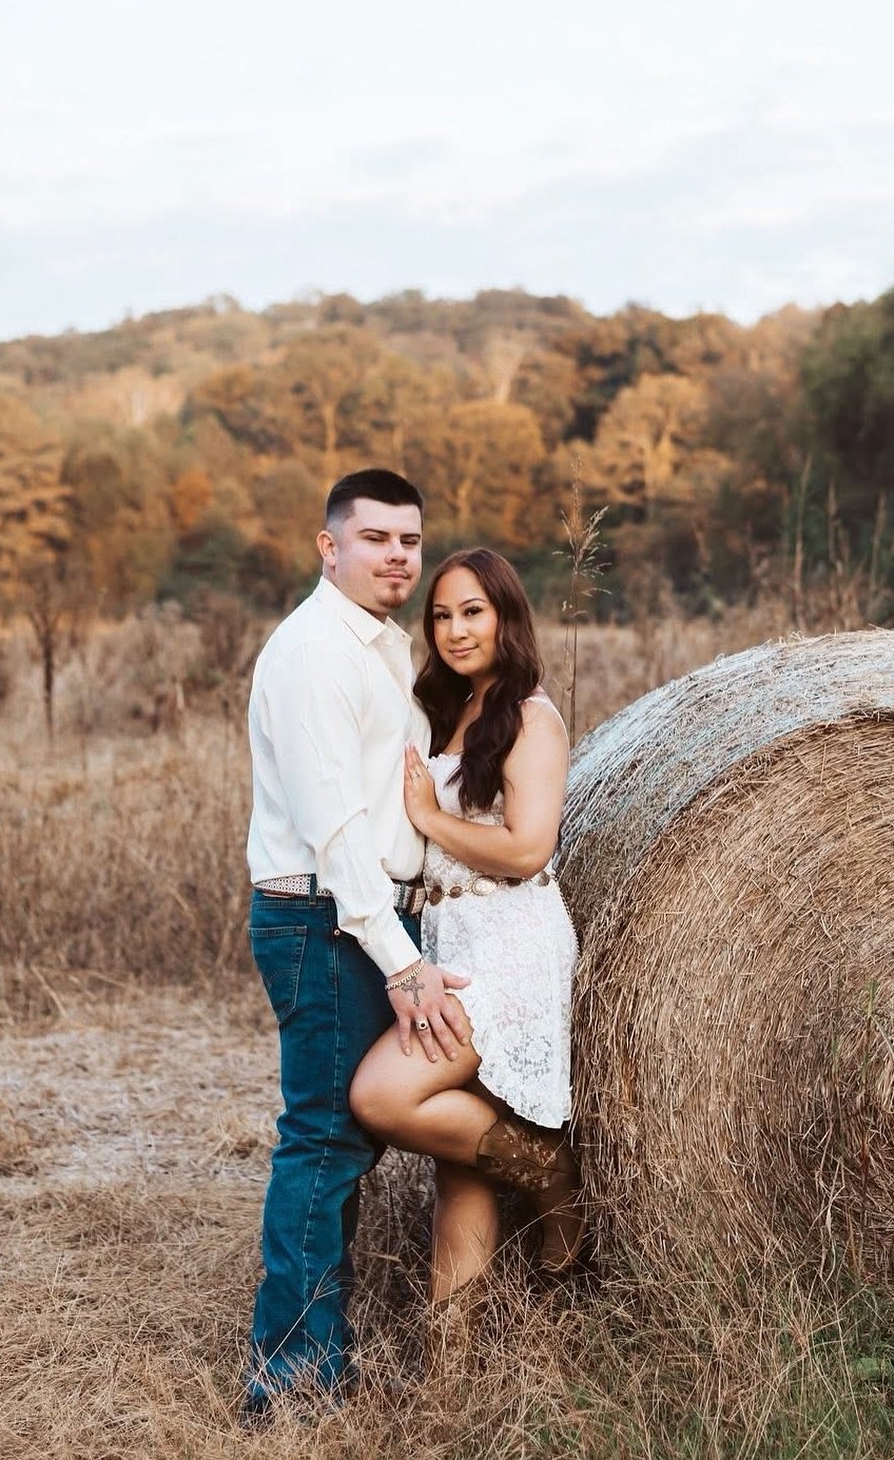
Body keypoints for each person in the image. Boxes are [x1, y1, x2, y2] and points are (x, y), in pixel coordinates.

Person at [241, 467, 473, 1424]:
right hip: (327, 917)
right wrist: (402, 956)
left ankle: (314, 1346)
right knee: (326, 1138)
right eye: (375, 538)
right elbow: (337, 828)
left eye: (409, 541)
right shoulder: (312, 655)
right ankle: (292, 1378)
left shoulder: (380, 647)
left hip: (365, 914)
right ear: (328, 546)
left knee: (344, 1137)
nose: (398, 556)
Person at [348, 546, 582, 1350]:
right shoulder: (450, 710)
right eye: (441, 615)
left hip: (513, 945)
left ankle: (553, 1172)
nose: (454, 629)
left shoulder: (531, 716)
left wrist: (429, 817)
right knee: (462, 1171)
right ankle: (450, 1380)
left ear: (507, 615)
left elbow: (526, 849)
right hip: (453, 937)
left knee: (382, 1095)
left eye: (472, 611)